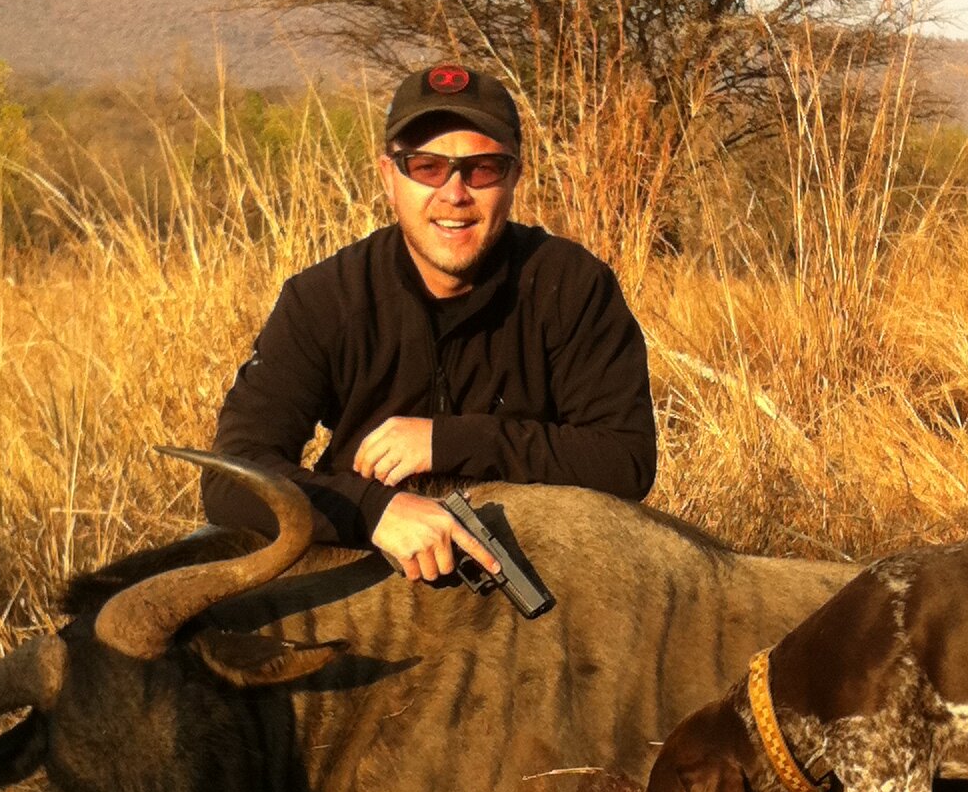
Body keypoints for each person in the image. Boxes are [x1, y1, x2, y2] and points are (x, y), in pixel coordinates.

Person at [204, 63, 656, 581]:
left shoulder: (573, 286)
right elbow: (231, 479)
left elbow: (626, 460)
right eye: (426, 167)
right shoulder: (323, 298)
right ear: (388, 178)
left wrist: (449, 441)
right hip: (367, 572)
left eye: (482, 168)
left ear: (514, 178)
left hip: (537, 575)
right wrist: (371, 511)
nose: (455, 194)